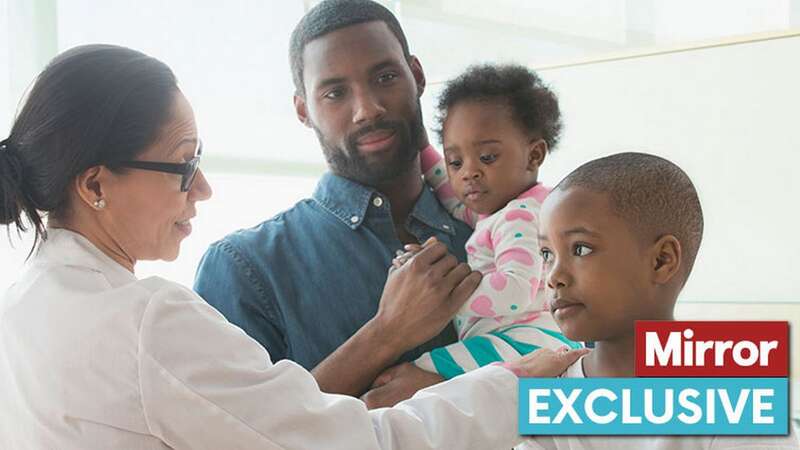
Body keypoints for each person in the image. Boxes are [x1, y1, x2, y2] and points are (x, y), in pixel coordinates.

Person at [0, 44, 588, 449]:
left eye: (386, 77)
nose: (203, 188)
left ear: (417, 77)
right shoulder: (200, 291)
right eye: (183, 165)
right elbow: (345, 440)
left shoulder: (25, 305)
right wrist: (520, 385)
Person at [194, 0, 480, 401]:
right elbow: (227, 436)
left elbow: (595, 411)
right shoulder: (245, 268)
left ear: (416, 75)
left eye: (385, 76)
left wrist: (456, 394)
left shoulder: (512, 230)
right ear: (302, 109)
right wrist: (385, 334)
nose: (367, 109)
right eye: (335, 93)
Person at [521, 152, 799, 449]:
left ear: (661, 261)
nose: (553, 276)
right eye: (547, 254)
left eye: (581, 249)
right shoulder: (546, 392)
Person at [395, 64, 579, 380]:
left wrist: (443, 296)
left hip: (524, 343)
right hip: (526, 341)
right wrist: (422, 147)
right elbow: (451, 196)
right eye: (456, 161)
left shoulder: (520, 217)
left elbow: (518, 288)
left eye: (487, 157)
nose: (468, 172)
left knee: (410, 375)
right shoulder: (507, 207)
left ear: (533, 156)